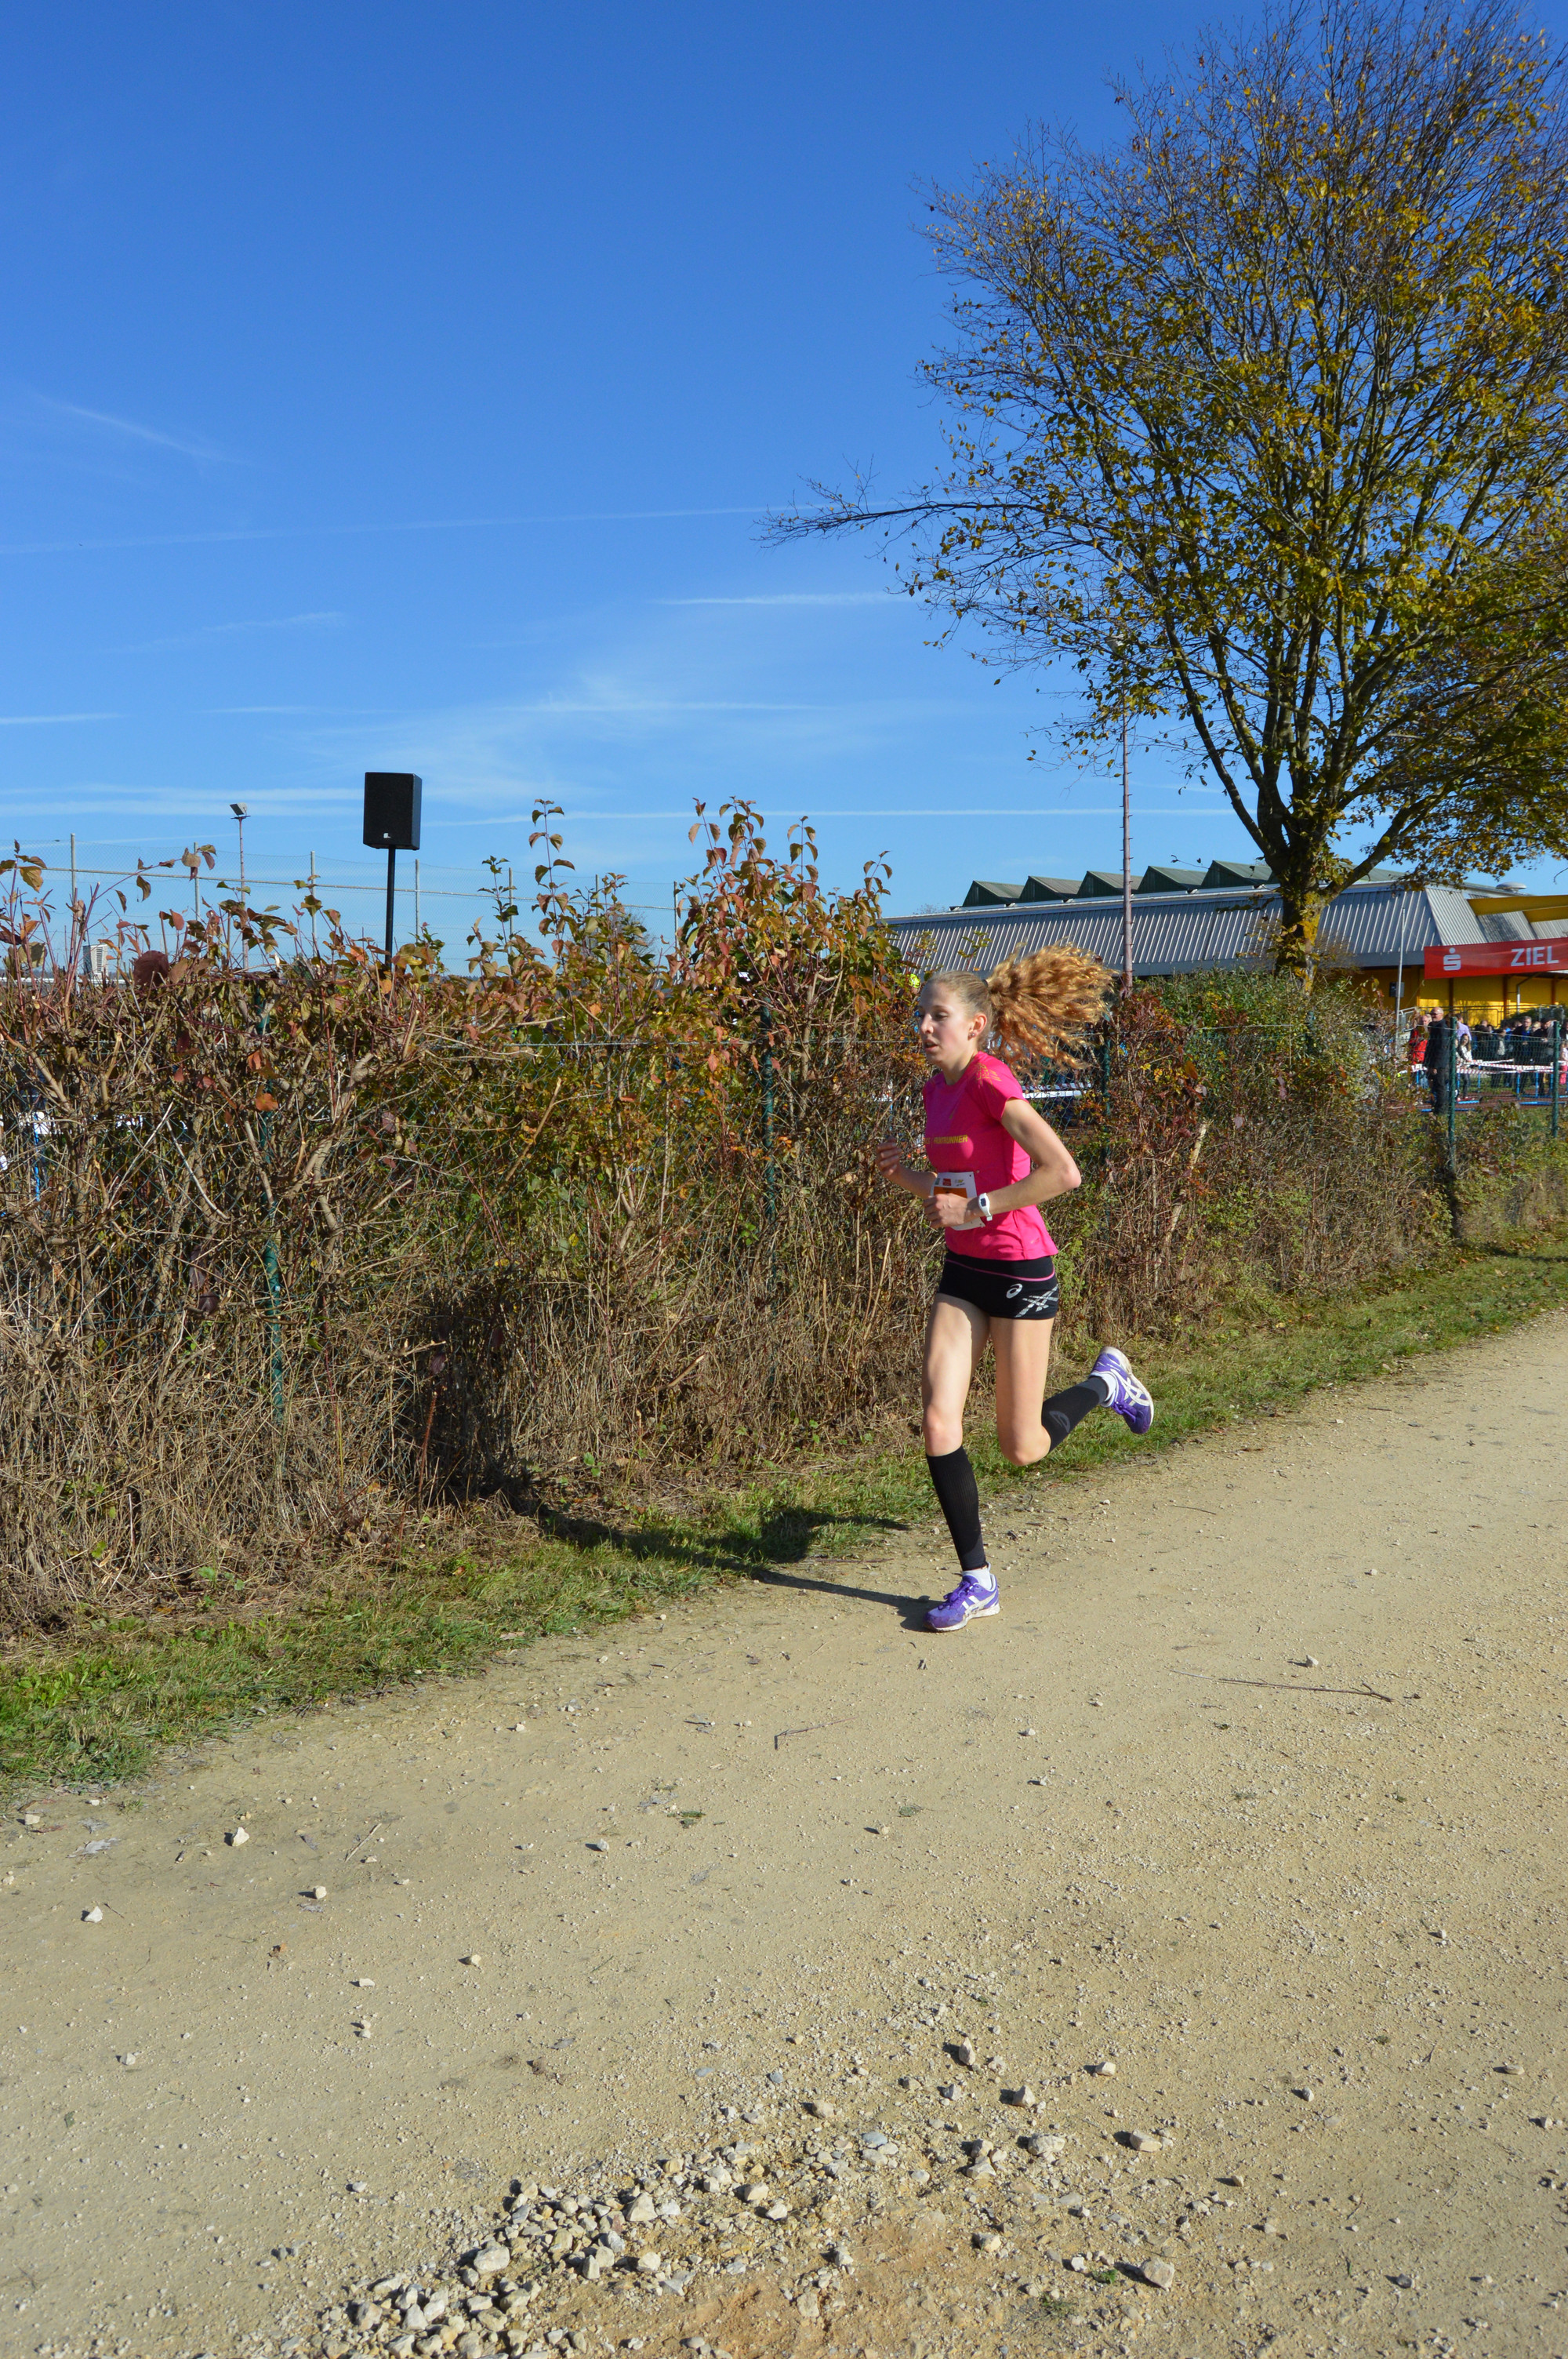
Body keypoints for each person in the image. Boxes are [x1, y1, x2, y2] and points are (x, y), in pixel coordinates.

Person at [876, 953, 1153, 1634]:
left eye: (937, 1016)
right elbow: (955, 1192)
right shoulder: (934, 1092)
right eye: (920, 1015)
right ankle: (978, 1581)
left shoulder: (990, 1081)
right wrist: (907, 1179)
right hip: (964, 1270)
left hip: (1021, 1270)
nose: (923, 1027)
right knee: (938, 1422)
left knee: (1022, 1447)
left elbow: (1063, 1172)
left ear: (975, 1026)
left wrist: (980, 1208)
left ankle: (1107, 1384)